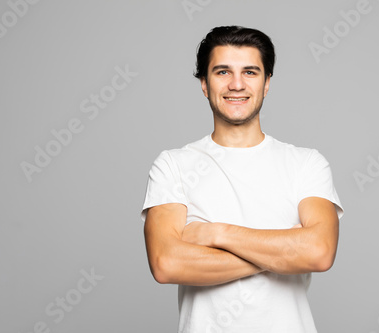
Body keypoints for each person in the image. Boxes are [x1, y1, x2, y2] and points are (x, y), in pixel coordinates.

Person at [141, 25, 344, 333]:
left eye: (250, 72)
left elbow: (318, 252)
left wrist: (216, 234)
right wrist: (285, 250)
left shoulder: (306, 164)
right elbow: (166, 263)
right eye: (222, 72)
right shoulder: (173, 165)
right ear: (204, 84)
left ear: (266, 84)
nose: (236, 84)